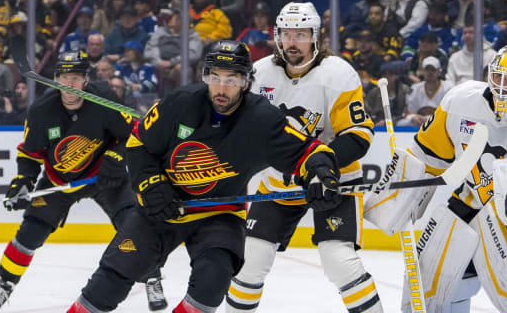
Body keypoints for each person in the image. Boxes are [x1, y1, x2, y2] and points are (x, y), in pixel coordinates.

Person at [66, 40, 342, 313]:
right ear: (205, 76)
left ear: (246, 82)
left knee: (213, 281)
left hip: (219, 213)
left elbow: (309, 151)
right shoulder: (179, 103)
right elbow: (139, 145)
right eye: (215, 77)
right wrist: (150, 185)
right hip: (162, 206)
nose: (221, 88)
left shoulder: (262, 120)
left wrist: (321, 175)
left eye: (231, 79)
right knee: (108, 283)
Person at [370, 42, 507, 313]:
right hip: (471, 199)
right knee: (427, 279)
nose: (503, 86)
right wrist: (403, 193)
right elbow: (428, 154)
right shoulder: (460, 101)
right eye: (498, 77)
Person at [0, 50, 166, 313]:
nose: (70, 85)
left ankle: (153, 278)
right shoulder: (41, 111)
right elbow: (30, 155)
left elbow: (133, 135)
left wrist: (116, 155)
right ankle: (4, 286)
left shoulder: (105, 101)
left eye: (76, 78)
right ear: (55, 80)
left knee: (133, 225)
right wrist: (23, 181)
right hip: (59, 179)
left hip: (105, 175)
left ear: (86, 81)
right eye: (65, 78)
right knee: (30, 232)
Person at [225, 3, 382, 313]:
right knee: (249, 260)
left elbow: (358, 136)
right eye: (286, 34)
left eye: (300, 34)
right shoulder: (259, 73)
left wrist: (321, 166)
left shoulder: (338, 73)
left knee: (339, 261)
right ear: (277, 36)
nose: (292, 42)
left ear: (315, 37)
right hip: (278, 183)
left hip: (333, 182)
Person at [402, 56, 454, 126]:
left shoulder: (448, 88)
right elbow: (408, 113)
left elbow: (451, 115)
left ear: (439, 72)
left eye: (433, 69)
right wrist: (413, 117)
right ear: (422, 72)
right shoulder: (415, 89)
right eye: (427, 69)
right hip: (419, 127)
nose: (430, 72)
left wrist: (428, 119)